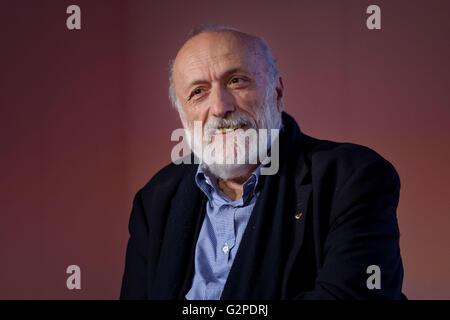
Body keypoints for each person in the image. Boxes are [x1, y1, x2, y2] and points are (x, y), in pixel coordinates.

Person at [120, 24, 405, 300]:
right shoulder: (155, 199)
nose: (220, 107)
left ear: (277, 93)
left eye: (236, 81)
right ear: (183, 116)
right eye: (198, 92)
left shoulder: (351, 178)